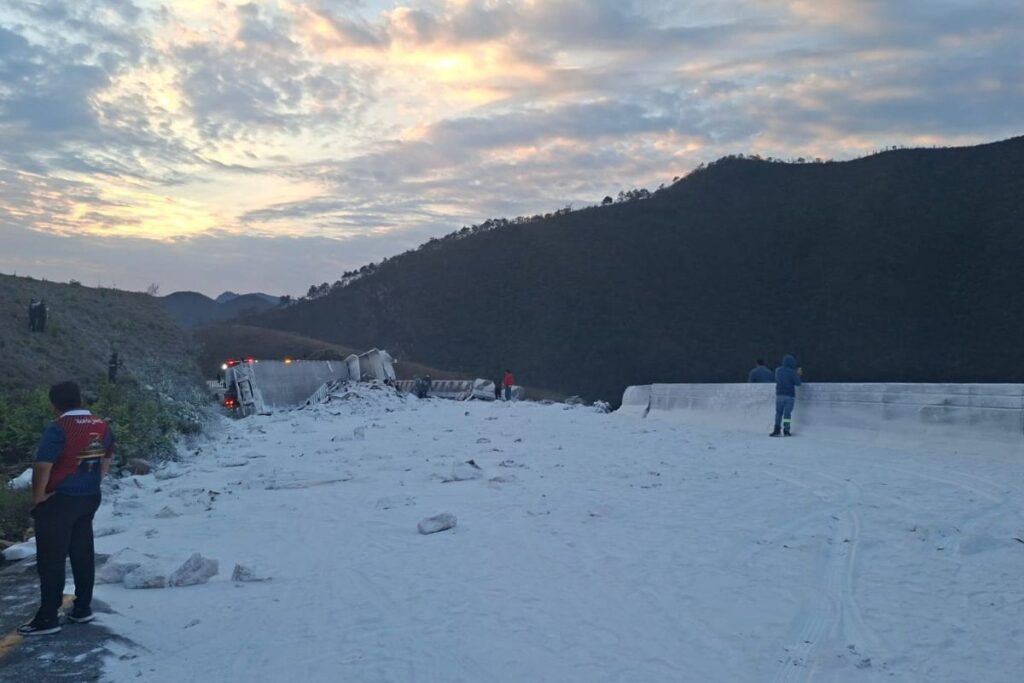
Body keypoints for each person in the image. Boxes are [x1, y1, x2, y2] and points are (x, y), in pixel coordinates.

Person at [18, 381, 114, 636]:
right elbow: (107, 458)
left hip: (59, 500)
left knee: (51, 559)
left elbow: (43, 466)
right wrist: (94, 482)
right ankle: (82, 608)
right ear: (80, 399)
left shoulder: (58, 427)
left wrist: (39, 497)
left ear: (54, 405)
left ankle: (48, 618)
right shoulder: (101, 425)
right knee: (82, 552)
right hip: (89, 497)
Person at [770, 355, 802, 437]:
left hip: (779, 395)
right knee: (787, 414)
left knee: (778, 413)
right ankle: (786, 430)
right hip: (789, 396)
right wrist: (798, 374)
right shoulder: (793, 372)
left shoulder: (778, 370)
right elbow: (798, 383)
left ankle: (776, 429)